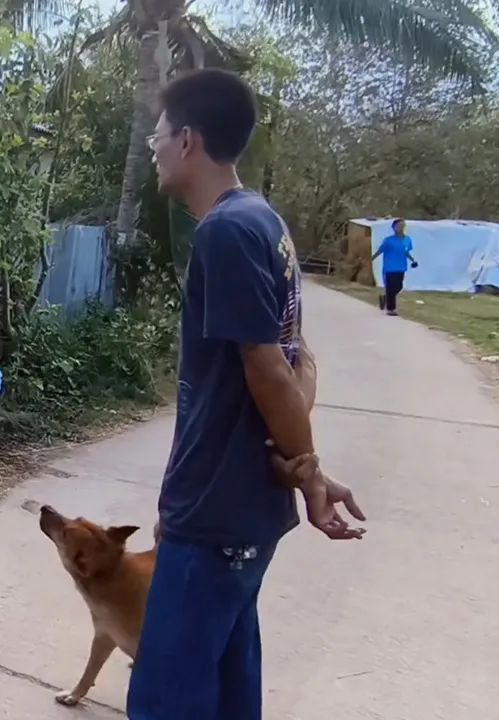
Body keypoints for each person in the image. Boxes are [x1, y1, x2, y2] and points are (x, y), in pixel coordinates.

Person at [133, 68, 366, 720]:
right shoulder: (263, 221)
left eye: (158, 132)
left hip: (217, 511)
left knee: (166, 700)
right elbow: (300, 362)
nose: (152, 144)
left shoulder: (227, 233)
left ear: (187, 140)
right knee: (229, 692)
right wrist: (298, 466)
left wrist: (310, 471)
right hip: (236, 507)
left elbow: (271, 370)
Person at [371, 218, 419, 316]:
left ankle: (385, 298)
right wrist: (371, 259)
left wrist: (413, 260)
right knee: (390, 287)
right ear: (394, 227)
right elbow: (380, 251)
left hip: (401, 267)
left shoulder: (407, 240)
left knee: (399, 286)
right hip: (389, 267)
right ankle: (391, 309)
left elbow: (406, 252)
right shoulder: (389, 240)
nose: (401, 227)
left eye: (403, 225)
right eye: (398, 225)